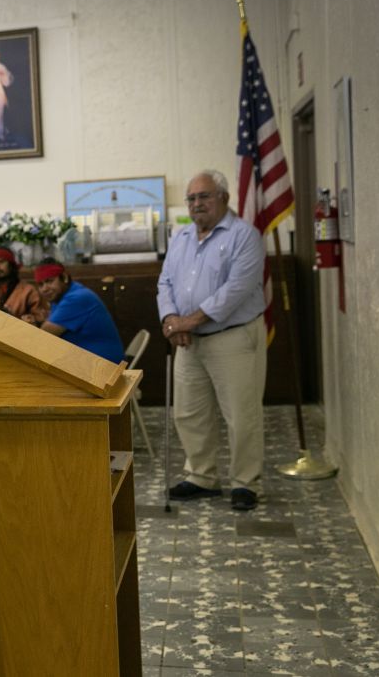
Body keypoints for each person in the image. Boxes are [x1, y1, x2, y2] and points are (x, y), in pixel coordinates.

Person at [157, 169, 267, 512]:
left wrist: (187, 321)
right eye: (191, 198)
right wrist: (171, 319)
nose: (196, 204)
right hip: (188, 341)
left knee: (241, 414)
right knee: (189, 413)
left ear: (224, 198)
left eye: (204, 196)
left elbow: (235, 291)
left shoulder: (244, 236)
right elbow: (165, 284)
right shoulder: (182, 237)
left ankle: (245, 484)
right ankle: (201, 477)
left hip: (231, 338)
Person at [35, 258, 125, 363]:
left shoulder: (76, 298)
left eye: (49, 281)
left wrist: (37, 324)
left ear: (64, 277)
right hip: (89, 362)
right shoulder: (62, 296)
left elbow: (44, 335)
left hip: (104, 367)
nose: (44, 288)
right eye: (40, 285)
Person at [0, 246, 47, 324]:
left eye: (1, 262)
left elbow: (40, 317)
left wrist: (31, 320)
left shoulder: (28, 290)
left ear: (11, 265)